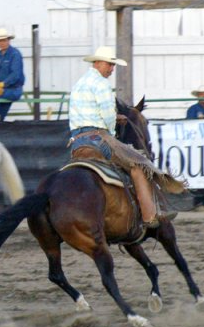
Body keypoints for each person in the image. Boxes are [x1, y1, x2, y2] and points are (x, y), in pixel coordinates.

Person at [68, 46, 181, 229]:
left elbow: (86, 113)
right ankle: (150, 215)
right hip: (99, 138)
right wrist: (113, 132)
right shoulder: (102, 84)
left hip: (77, 142)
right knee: (139, 163)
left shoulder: (79, 84)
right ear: (97, 63)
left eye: (112, 65)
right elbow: (106, 116)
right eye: (109, 65)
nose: (111, 69)